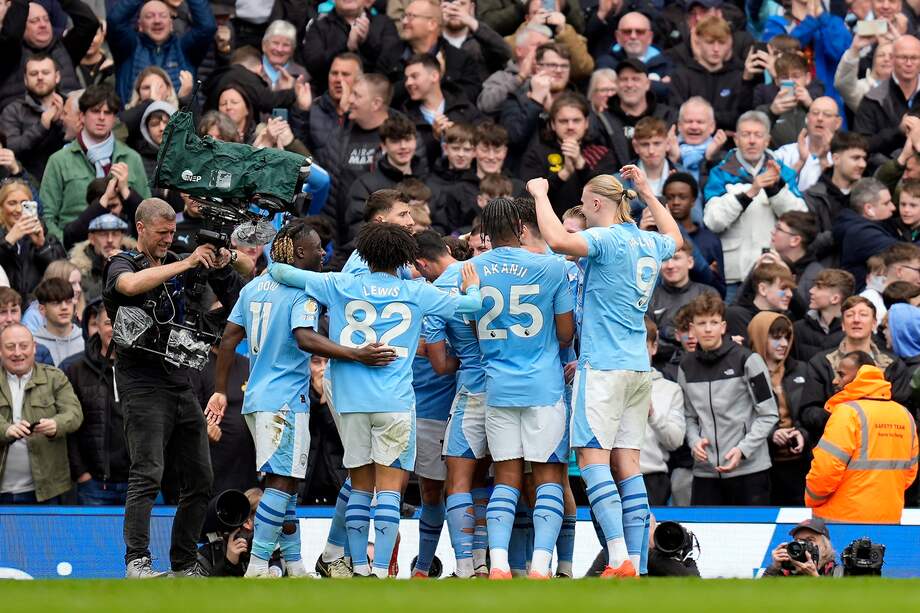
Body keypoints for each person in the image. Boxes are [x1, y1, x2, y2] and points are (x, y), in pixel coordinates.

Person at [269, 222, 483, 578]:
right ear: (403, 258)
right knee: (389, 488)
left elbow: (279, 270)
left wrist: (281, 244)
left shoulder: (338, 283)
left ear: (362, 254)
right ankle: (382, 569)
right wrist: (472, 285)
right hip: (395, 402)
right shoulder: (417, 291)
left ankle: (360, 567)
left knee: (360, 487)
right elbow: (472, 306)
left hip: (352, 402)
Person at [207, 219, 396, 578]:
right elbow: (305, 337)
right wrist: (354, 354)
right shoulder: (302, 292)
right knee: (280, 483)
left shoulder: (255, 286)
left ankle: (294, 564)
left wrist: (219, 389)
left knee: (288, 484)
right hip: (284, 401)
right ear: (297, 252)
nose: (323, 253)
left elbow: (230, 337)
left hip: (257, 399)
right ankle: (260, 564)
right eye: (316, 248)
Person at [530, 166, 682, 578]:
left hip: (602, 366)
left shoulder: (605, 238)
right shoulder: (648, 241)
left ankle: (618, 558)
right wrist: (649, 192)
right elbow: (676, 240)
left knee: (593, 459)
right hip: (638, 368)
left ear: (596, 203)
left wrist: (540, 194)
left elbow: (559, 239)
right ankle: (639, 561)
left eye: (583, 202)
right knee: (629, 465)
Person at [103, 198, 240, 578]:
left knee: (200, 478)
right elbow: (129, 286)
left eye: (172, 233)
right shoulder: (122, 261)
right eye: (162, 233)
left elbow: (240, 283)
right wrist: (188, 261)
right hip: (142, 384)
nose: (169, 239)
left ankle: (182, 564)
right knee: (147, 472)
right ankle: (137, 562)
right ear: (141, 227)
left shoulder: (183, 260)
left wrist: (223, 263)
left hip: (181, 382)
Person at [462, 197, 574, 580]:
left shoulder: (471, 267)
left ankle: (497, 566)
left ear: (487, 234)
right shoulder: (552, 267)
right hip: (544, 388)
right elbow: (564, 333)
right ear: (523, 228)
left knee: (505, 479)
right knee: (547, 479)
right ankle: (541, 567)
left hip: (498, 388)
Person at [417, 230, 489, 578]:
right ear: (447, 249)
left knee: (459, 480)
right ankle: (500, 564)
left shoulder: (433, 295)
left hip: (472, 391)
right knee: (504, 480)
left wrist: (464, 357)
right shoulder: (488, 272)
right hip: (517, 389)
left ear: (421, 263)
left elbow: (441, 365)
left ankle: (465, 568)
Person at [679, 293, 779, 506]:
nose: (707, 329)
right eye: (701, 323)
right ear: (692, 328)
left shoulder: (748, 360)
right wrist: (694, 441)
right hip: (705, 474)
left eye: (713, 322)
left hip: (750, 470)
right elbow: (688, 416)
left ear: (723, 327)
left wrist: (743, 449)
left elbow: (769, 414)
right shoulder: (685, 367)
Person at [703, 111, 808, 300]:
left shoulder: (783, 172)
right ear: (736, 139)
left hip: (774, 274)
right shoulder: (720, 172)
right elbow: (713, 221)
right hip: (733, 276)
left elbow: (801, 221)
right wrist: (750, 192)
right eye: (745, 135)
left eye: (758, 135)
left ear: (767, 140)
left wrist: (774, 189)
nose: (752, 141)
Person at [805, 354, 919, 523]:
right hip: (889, 518)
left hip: (841, 520)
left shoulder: (847, 413)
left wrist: (813, 499)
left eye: (841, 374)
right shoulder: (904, 415)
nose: (835, 381)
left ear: (859, 377)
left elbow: (826, 469)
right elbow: (910, 473)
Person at [40, 84, 150, 240]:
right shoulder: (59, 160)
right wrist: (62, 248)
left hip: (124, 252)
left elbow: (148, 214)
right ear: (82, 116)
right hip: (74, 251)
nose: (102, 117)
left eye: (108, 112)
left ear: (114, 118)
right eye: (95, 111)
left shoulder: (131, 158)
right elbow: (46, 216)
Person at [799, 296, 914, 445]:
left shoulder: (893, 365)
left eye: (863, 315)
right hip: (835, 446)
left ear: (874, 324)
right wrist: (845, 418)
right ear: (842, 324)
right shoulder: (821, 362)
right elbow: (808, 413)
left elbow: (904, 411)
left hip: (880, 446)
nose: (856, 320)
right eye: (850, 315)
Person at [0, 323, 83, 503]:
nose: (17, 353)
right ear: (0, 351)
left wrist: (56, 424)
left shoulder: (55, 377)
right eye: (9, 347)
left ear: (34, 348)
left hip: (48, 489)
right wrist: (5, 429)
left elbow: (74, 413)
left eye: (24, 346)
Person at [61, 302, 129, 505]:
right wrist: (81, 473)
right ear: (96, 326)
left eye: (122, 322)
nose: (115, 329)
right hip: (95, 486)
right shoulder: (76, 370)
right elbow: (70, 428)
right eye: (109, 323)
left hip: (138, 485)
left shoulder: (144, 370)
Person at [520, 93, 617, 217]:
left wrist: (581, 165)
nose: (570, 126)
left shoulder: (602, 153)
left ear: (586, 123)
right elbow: (527, 199)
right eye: (563, 121)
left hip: (591, 229)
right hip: (549, 228)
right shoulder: (536, 153)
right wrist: (563, 174)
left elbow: (608, 198)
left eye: (576, 120)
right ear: (553, 124)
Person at [748, 312, 810, 506]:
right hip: (761, 464)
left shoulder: (802, 369)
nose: (783, 343)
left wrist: (801, 433)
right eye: (775, 337)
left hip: (800, 462)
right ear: (759, 336)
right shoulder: (745, 370)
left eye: (787, 337)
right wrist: (772, 434)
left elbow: (810, 412)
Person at [106, 0, 216, 107]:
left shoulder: (184, 49)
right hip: (132, 122)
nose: (157, 21)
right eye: (149, 16)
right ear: (139, 24)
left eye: (163, 16)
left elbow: (207, 27)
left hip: (178, 123)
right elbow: (115, 21)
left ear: (171, 23)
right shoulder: (128, 48)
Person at [0, 0, 99, 109]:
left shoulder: (66, 47)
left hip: (69, 118)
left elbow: (89, 23)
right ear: (22, 26)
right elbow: (11, 35)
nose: (43, 25)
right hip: (23, 122)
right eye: (34, 21)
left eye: (46, 19)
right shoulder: (9, 52)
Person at [300, 0, 401, 95]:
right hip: (328, 99)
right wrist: (347, 46)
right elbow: (314, 67)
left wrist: (366, 43)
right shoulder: (319, 26)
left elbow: (387, 68)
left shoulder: (384, 23)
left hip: (372, 99)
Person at [402, 53, 482, 168]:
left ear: (434, 76)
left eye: (414, 76)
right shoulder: (405, 117)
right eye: (406, 78)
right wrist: (434, 138)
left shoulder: (463, 108)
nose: (408, 83)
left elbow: (484, 143)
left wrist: (457, 135)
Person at [640, 318, 686, 506]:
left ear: (654, 347)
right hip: (609, 477)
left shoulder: (671, 389)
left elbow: (675, 441)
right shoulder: (606, 386)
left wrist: (653, 415)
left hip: (652, 479)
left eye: (640, 344)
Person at [0, 53, 66, 181]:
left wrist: (58, 123)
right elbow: (10, 149)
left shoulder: (71, 105)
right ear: (25, 79)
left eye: (45, 72)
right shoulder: (13, 110)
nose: (40, 77)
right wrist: (42, 126)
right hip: (28, 182)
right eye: (34, 74)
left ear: (57, 76)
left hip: (66, 179)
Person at [854, 35, 920, 158]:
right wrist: (897, 131)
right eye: (903, 57)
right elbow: (861, 145)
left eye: (914, 58)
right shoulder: (872, 98)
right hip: (883, 170)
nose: (909, 63)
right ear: (893, 59)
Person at [0, 178, 66, 297]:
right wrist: (7, 242)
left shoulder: (49, 240)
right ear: (1, 208)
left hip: (39, 307)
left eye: (24, 204)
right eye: (12, 203)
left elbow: (63, 276)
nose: (19, 209)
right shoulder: (3, 241)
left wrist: (42, 246)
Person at [832, 178, 900, 290]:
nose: (893, 207)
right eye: (886, 203)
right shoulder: (861, 233)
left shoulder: (863, 226)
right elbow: (904, 253)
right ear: (869, 209)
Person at [68, 213, 133, 304]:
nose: (110, 240)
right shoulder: (78, 269)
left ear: (122, 238)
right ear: (92, 239)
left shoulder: (136, 263)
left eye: (115, 234)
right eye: (103, 234)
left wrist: (123, 262)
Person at [792, 268, 854, 362]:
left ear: (835, 298)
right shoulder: (798, 328)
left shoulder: (852, 331)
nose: (811, 291)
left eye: (818, 287)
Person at [725, 262, 796, 341]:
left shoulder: (787, 320)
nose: (790, 294)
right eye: (783, 288)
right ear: (763, 289)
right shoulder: (737, 316)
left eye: (790, 289)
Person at [31, 277, 84, 366]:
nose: (64, 307)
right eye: (56, 303)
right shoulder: (32, 344)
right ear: (42, 309)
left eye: (68, 302)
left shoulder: (87, 340)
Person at [763, 517, 840, 577]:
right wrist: (775, 568)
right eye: (798, 541)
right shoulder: (786, 570)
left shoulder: (836, 571)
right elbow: (761, 594)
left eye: (810, 540)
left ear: (825, 546)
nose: (802, 545)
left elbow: (837, 596)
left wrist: (814, 576)